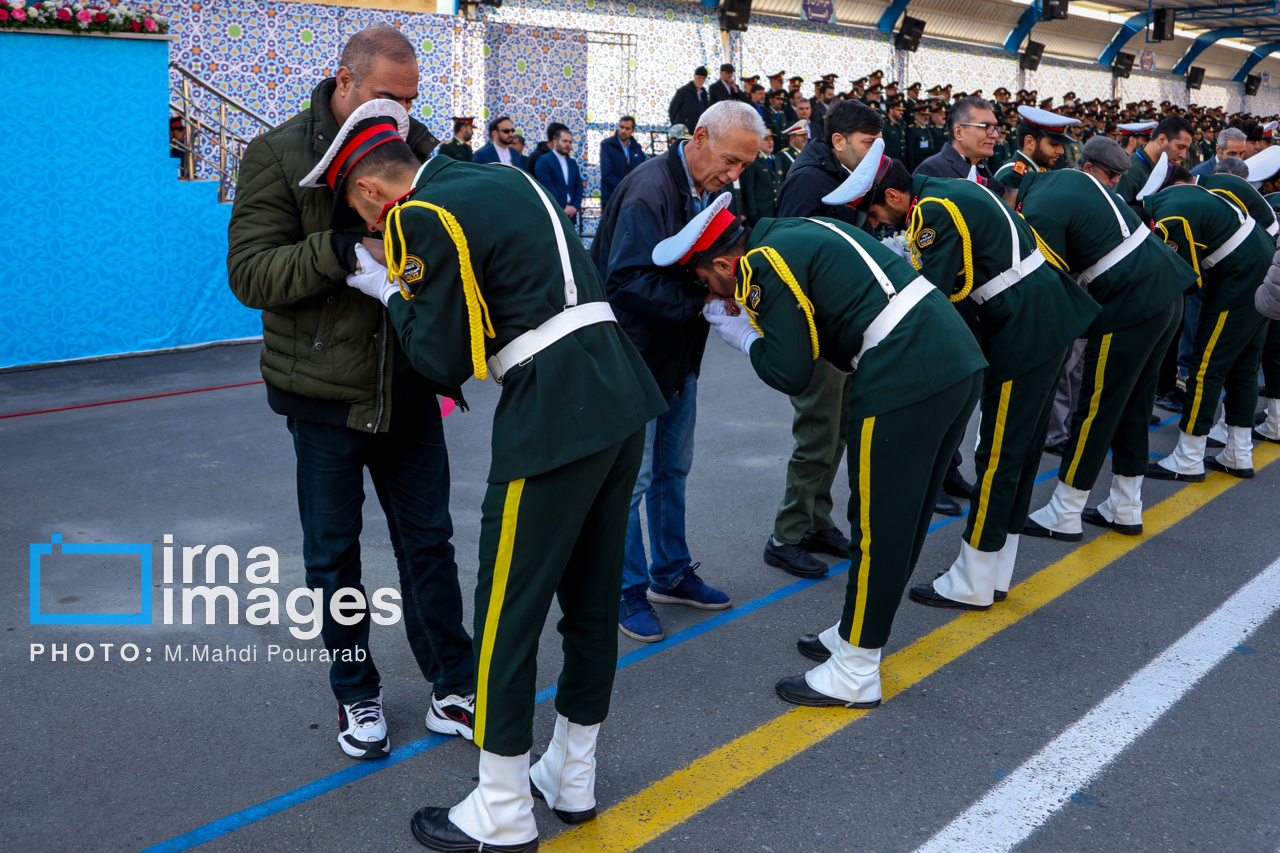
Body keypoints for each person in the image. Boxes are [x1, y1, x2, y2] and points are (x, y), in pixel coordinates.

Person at [317, 99, 666, 853]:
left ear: (374, 192)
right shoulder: (506, 181)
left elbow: (441, 359)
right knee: (591, 600)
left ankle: (502, 805)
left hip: (553, 408)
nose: (375, 231)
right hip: (618, 386)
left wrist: (386, 288)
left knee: (508, 612)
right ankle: (572, 774)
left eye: (362, 213)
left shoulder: (419, 216)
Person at [656, 149, 987, 709]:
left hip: (905, 374)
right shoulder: (794, 229)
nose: (709, 297)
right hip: (951, 361)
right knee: (900, 522)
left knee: (878, 524)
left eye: (704, 284)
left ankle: (856, 669)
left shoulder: (759, 266)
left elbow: (792, 369)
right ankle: (855, 632)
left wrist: (742, 335)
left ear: (722, 266)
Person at [227, 26, 477, 761]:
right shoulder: (277, 152)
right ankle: (355, 690)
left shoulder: (426, 150)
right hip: (322, 397)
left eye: (411, 98)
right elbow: (250, 274)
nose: (401, 112)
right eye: (386, 96)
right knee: (333, 558)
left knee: (429, 543)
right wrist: (342, 250)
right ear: (344, 80)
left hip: (409, 386)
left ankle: (452, 683)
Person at [862, 161, 1100, 613]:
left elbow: (930, 295)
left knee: (998, 454)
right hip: (1044, 312)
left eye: (875, 214)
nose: (876, 224)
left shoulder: (932, 208)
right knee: (1022, 450)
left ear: (893, 197)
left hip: (1024, 323)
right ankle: (995, 567)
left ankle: (972, 579)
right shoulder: (948, 189)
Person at [590, 101, 763, 641]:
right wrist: (703, 301)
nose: (733, 175)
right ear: (701, 136)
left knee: (672, 469)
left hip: (676, 356)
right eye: (730, 160)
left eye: (743, 168)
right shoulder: (650, 189)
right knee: (632, 482)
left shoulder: (698, 188)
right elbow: (625, 282)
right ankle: (623, 589)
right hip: (635, 357)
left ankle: (670, 572)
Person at [1013, 138, 1194, 543]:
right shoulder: (1074, 187)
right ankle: (1125, 504)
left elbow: (1049, 280)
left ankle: (1065, 510)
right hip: (1166, 293)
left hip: (1131, 302)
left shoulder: (1043, 198)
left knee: (1095, 407)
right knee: (1132, 405)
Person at [762, 100, 883, 580]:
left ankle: (816, 520)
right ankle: (784, 536)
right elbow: (783, 255)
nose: (874, 153)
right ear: (838, 141)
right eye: (867, 143)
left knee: (837, 430)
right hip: (814, 330)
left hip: (839, 327)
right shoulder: (810, 180)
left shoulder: (838, 172)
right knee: (816, 434)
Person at [1144, 159, 1274, 482]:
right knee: (1244, 364)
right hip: (1262, 262)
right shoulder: (1203, 191)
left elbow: (1186, 278)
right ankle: (1238, 452)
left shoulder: (1170, 208)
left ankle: (1189, 456)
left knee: (1206, 367)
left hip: (1239, 276)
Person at [914, 96, 1008, 195]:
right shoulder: (932, 171)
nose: (995, 135)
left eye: (994, 127)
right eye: (985, 127)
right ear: (959, 132)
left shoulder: (982, 169)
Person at [992, 105, 1079, 190]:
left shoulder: (1036, 170)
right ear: (1029, 142)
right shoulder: (1013, 177)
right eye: (1053, 144)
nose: (1061, 151)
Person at [1113, 115, 1193, 203]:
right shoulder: (1131, 170)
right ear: (1162, 140)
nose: (1183, 155)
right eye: (1180, 147)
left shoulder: (1166, 168)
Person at [533, 125, 583, 225]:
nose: (568, 144)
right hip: (553, 212)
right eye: (565, 141)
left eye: (570, 142)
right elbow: (547, 186)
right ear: (555, 141)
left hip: (571, 214)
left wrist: (574, 206)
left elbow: (579, 185)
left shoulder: (572, 163)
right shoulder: (544, 160)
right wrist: (563, 206)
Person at [599, 115, 646, 207]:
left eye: (627, 128)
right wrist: (625, 188)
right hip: (611, 197)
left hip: (631, 199)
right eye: (621, 127)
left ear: (632, 130)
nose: (623, 131)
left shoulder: (636, 148)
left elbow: (641, 171)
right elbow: (607, 173)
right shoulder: (607, 145)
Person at [740, 133, 783, 224]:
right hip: (761, 211)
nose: (770, 142)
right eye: (766, 139)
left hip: (775, 211)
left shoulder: (777, 160)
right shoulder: (754, 160)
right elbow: (749, 188)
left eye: (771, 139)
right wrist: (753, 213)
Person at [669, 66, 711, 131]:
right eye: (699, 77)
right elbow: (673, 110)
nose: (701, 80)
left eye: (703, 78)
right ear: (694, 76)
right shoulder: (684, 91)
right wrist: (675, 128)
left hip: (698, 130)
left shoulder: (704, 94)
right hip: (684, 130)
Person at [906, 102, 936, 173]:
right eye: (923, 115)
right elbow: (910, 153)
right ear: (916, 116)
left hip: (928, 165)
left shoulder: (926, 129)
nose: (927, 117)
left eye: (928, 115)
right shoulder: (912, 130)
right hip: (918, 167)